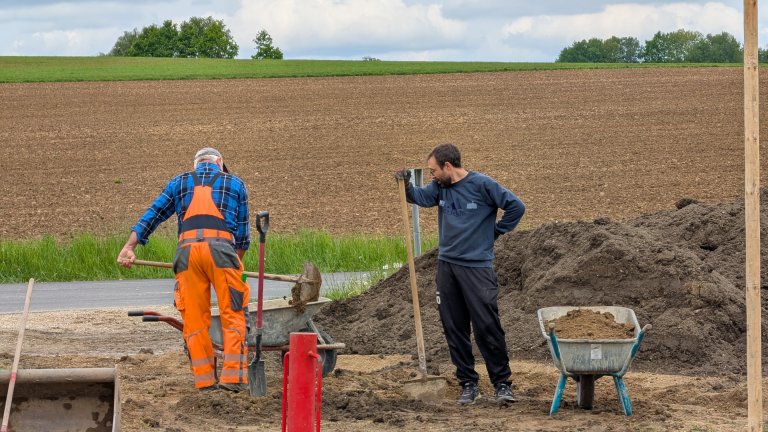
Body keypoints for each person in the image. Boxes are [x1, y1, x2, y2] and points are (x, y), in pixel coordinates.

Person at [395, 143, 525, 405]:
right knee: (454, 327)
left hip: (477, 267)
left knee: (487, 326)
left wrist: (496, 231)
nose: (431, 176)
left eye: (433, 171)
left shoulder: (483, 185)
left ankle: (502, 384)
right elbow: (418, 197)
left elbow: (516, 207)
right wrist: (406, 186)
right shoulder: (440, 188)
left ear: (448, 166)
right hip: (447, 267)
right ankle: (468, 383)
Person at [117, 147, 251, 392]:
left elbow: (153, 214)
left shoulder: (179, 182)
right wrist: (233, 267)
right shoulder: (235, 183)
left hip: (187, 254)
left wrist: (129, 247)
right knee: (232, 312)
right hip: (222, 251)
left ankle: (204, 381)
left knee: (194, 318)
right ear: (219, 163)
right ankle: (232, 379)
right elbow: (242, 238)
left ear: (197, 164)